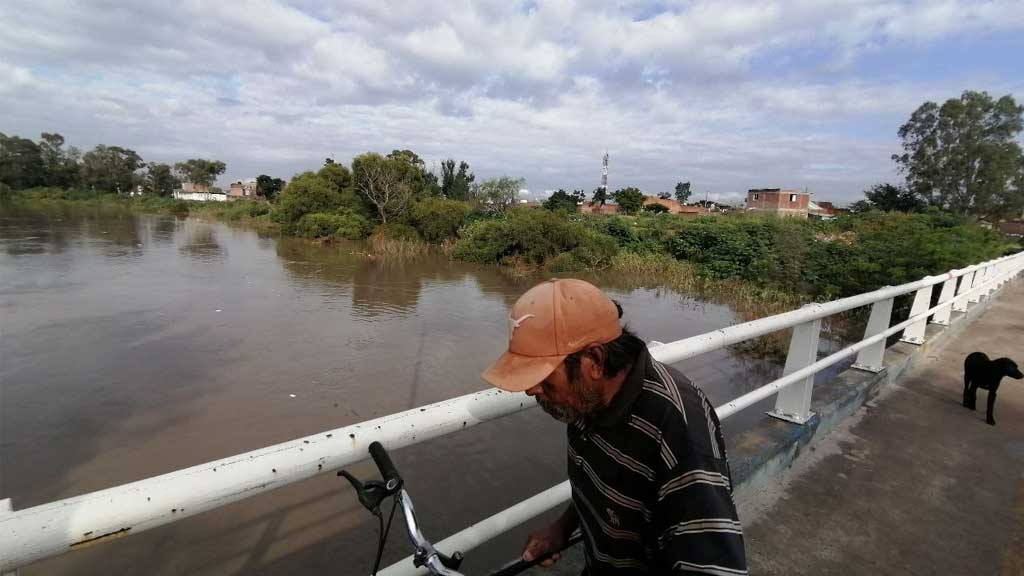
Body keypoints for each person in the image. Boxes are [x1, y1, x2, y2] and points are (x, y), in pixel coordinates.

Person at [482, 279, 747, 575]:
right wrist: (562, 527)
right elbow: (610, 486)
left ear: (594, 360)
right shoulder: (585, 401)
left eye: (543, 377)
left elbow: (715, 566)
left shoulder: (677, 428)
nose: (532, 391)